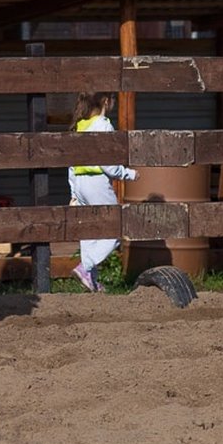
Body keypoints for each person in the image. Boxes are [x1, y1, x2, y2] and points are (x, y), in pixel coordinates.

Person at [69, 92, 139, 293]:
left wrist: (74, 192)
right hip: (97, 183)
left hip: (80, 183)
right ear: (106, 102)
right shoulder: (104, 125)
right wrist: (129, 174)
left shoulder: (81, 126)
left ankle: (90, 278)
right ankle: (86, 266)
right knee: (116, 228)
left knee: (90, 231)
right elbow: (108, 165)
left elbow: (71, 165)